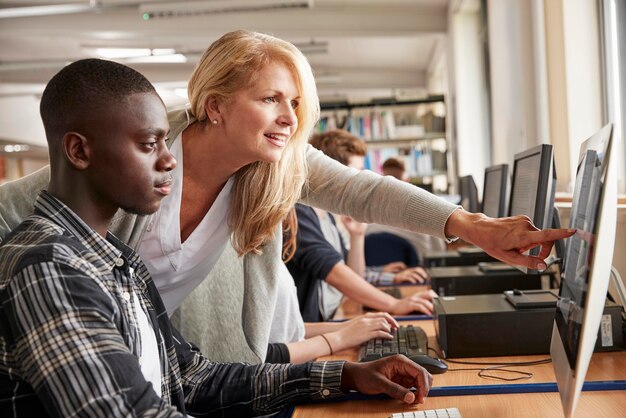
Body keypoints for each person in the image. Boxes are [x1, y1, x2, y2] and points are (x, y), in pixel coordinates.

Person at [0, 30, 574, 365]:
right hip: (90, 357)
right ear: (216, 105)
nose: (288, 118)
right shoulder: (138, 153)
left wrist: (474, 226)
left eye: (295, 103)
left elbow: (364, 190)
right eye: (271, 99)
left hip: (180, 366)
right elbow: (14, 205)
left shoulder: (272, 167)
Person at [0, 58, 433, 417]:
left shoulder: (119, 263)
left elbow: (195, 376)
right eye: (150, 144)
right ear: (79, 152)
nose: (170, 160)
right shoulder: (49, 269)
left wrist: (343, 375)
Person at [286, 130, 436, 322]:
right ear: (332, 171)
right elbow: (335, 273)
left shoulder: (327, 217)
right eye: (355, 172)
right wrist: (394, 304)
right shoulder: (299, 213)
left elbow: (354, 275)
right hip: (316, 325)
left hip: (337, 312)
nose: (359, 181)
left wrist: (357, 235)